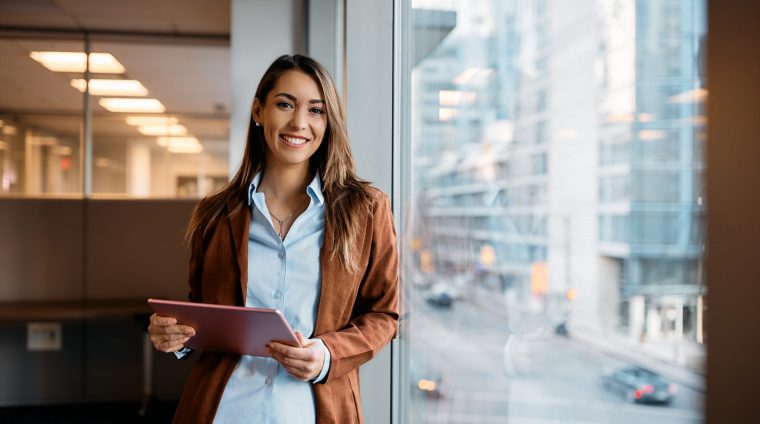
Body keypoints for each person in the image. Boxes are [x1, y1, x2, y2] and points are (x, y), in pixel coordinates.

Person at [148, 54, 399, 423]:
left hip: (315, 410)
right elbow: (203, 310)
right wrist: (176, 336)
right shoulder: (215, 215)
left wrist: (327, 354)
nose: (300, 123)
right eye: (285, 104)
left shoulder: (366, 209)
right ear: (258, 111)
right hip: (224, 410)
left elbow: (384, 313)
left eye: (316, 111)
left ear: (328, 123)